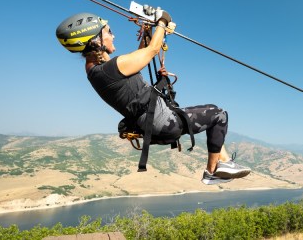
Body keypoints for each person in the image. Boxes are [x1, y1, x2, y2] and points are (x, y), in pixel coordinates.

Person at [55, 11, 251, 185]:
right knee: (218, 114)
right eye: (108, 31)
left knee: (211, 113)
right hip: (164, 122)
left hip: (153, 124)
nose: (113, 35)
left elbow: (137, 56)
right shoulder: (110, 69)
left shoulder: (95, 70)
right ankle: (212, 171)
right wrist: (162, 21)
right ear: (96, 41)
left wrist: (150, 30)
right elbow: (151, 51)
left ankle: (223, 163)